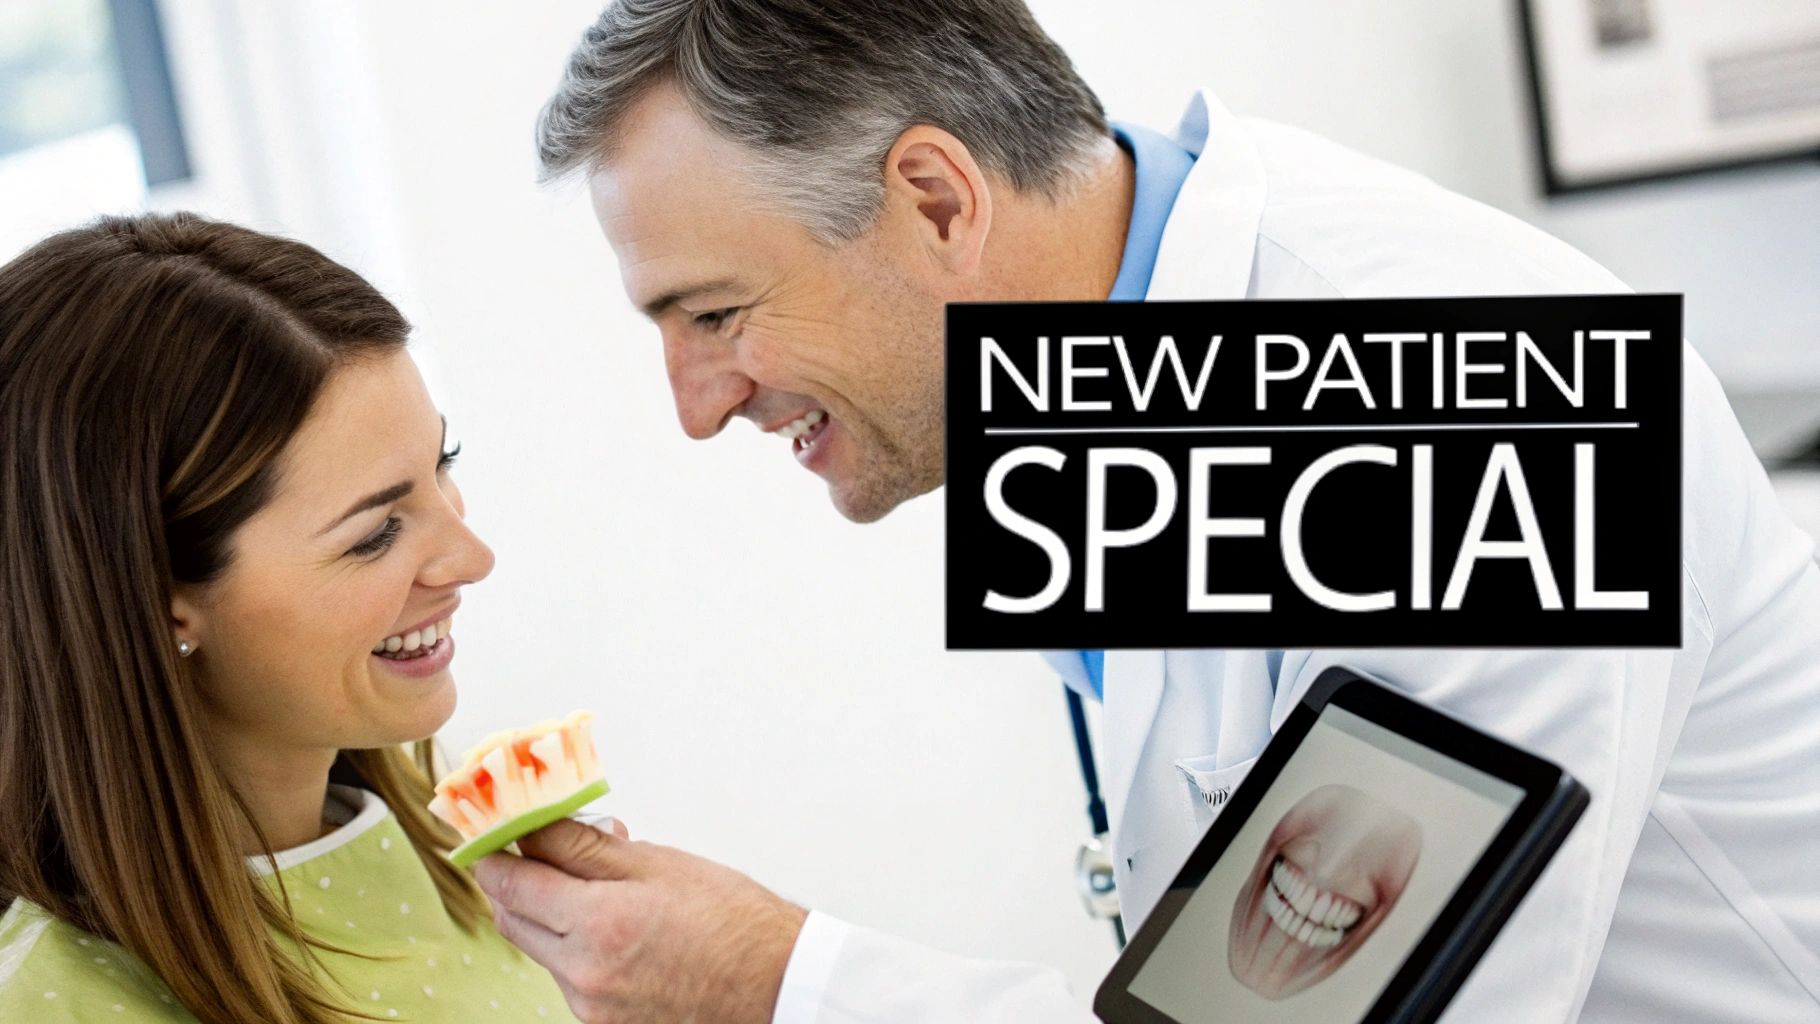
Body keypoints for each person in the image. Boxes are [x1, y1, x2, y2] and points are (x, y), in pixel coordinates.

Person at [475, 1, 1820, 1021]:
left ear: (939, 202)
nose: (697, 406)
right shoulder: (1100, 395)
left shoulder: (1456, 405)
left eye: (717, 314)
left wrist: (781, 983)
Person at [0, 213, 589, 1023]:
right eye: (375, 533)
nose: (471, 558)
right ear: (157, 602)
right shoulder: (56, 1004)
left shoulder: (459, 848)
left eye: (440, 467)